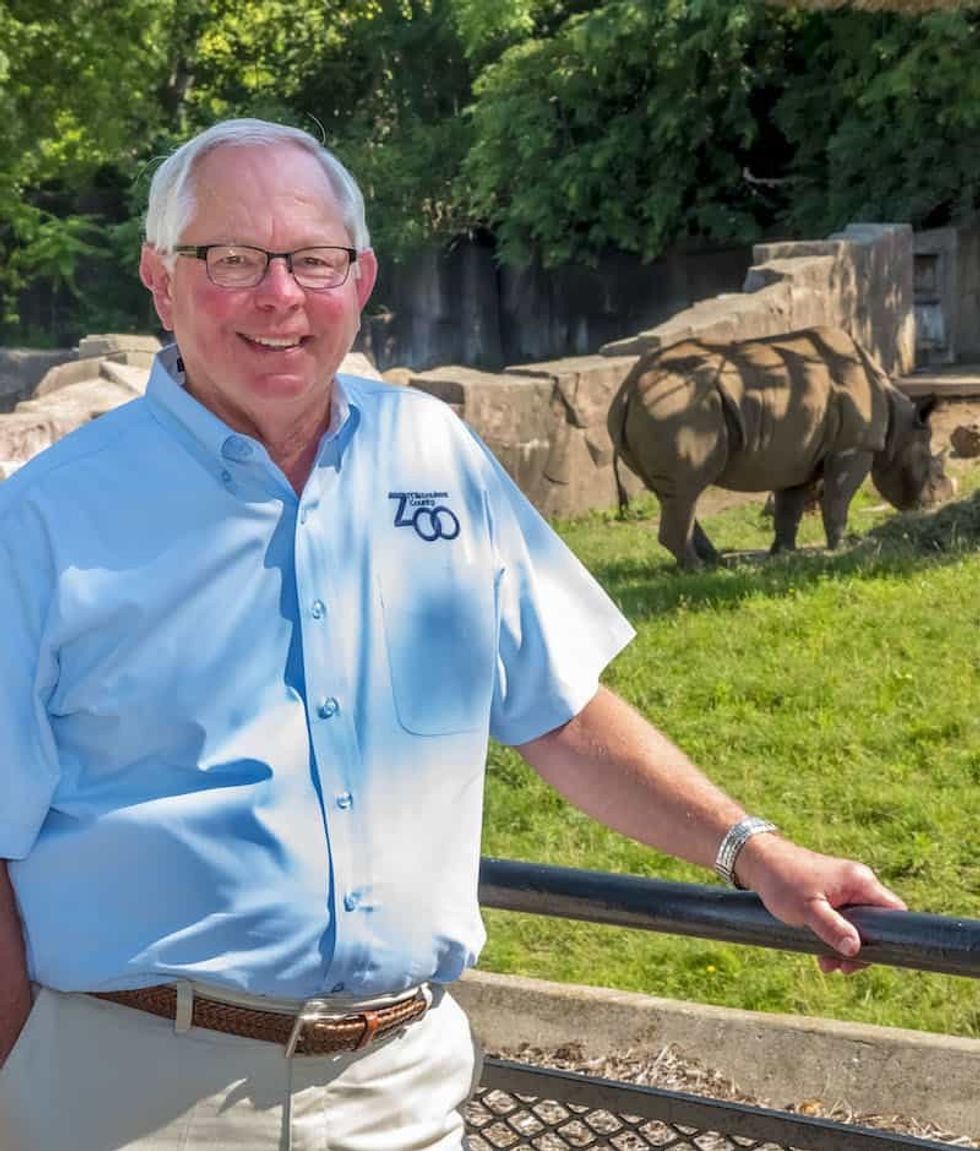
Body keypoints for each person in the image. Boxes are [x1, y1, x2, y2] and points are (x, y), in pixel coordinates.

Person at [0, 118, 905, 1151]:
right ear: (160, 280)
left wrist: (752, 850)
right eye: (232, 259)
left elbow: (556, 709)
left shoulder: (430, 454)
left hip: (400, 1088)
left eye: (312, 259)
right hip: (132, 1094)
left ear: (362, 276)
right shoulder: (44, 521)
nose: (279, 295)